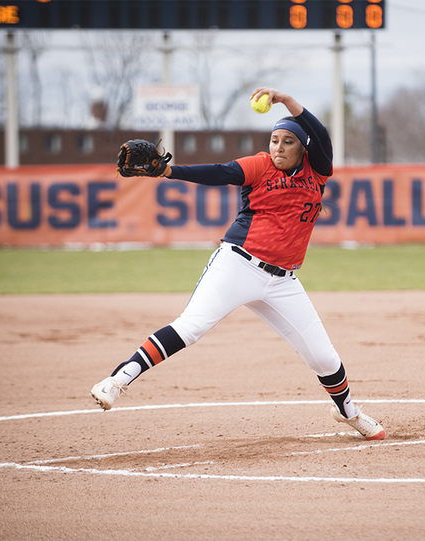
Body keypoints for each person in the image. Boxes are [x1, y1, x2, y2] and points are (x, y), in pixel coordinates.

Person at [90, 87, 385, 440]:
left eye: (287, 141)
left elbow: (319, 133)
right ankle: (116, 381)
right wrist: (169, 171)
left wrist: (286, 99)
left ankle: (349, 413)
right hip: (237, 265)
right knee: (191, 327)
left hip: (283, 282)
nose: (278, 147)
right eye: (274, 139)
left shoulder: (318, 171)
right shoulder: (260, 165)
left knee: (323, 357)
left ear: (302, 149)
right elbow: (219, 172)